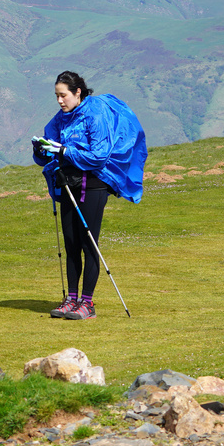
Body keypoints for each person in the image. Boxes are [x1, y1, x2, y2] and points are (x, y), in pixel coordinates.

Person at [31, 71, 147, 320]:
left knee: (88, 242)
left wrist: (64, 150)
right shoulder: (59, 120)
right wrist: (40, 149)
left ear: (77, 92)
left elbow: (99, 155)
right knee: (71, 244)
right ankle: (70, 300)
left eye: (63, 95)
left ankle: (87, 303)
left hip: (93, 185)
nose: (60, 101)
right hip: (67, 183)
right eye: (57, 96)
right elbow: (47, 152)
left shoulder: (94, 115)